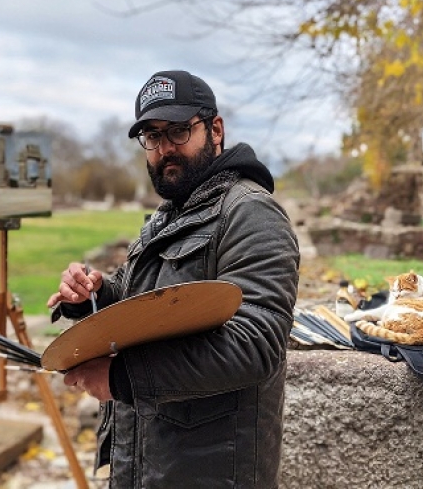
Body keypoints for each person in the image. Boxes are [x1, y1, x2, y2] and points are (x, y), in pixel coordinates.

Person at [47, 70, 300, 488]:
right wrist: (89, 294)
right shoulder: (170, 215)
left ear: (215, 129)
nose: (165, 149)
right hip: (146, 465)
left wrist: (120, 378)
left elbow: (255, 344)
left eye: (179, 131)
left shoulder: (250, 212)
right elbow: (135, 296)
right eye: (152, 136)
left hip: (210, 472)